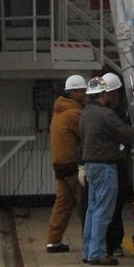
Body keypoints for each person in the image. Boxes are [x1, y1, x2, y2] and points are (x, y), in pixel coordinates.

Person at [78, 76, 134, 265]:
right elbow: (124, 132)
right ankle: (97, 253)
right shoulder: (105, 114)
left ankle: (88, 250)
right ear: (104, 93)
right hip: (105, 165)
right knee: (103, 210)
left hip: (91, 165)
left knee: (92, 209)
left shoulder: (86, 113)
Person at [45, 74, 87, 253]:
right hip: (73, 166)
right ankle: (92, 243)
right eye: (83, 91)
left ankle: (53, 241)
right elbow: (88, 136)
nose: (86, 94)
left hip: (60, 166)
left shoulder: (58, 111)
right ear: (75, 92)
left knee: (62, 204)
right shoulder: (75, 113)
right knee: (86, 204)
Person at [100, 71, 132, 257]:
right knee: (106, 207)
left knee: (110, 206)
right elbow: (124, 133)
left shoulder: (93, 112)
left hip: (114, 164)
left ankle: (107, 244)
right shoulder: (107, 114)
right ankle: (108, 244)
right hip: (109, 164)